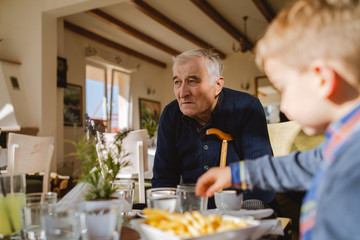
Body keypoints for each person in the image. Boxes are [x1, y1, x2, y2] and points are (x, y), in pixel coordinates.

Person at [195, 0, 360, 239]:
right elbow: (298, 166)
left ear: (322, 79)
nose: (283, 105)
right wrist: (234, 174)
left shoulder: (352, 165)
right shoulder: (341, 144)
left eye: (283, 87)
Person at [152, 49, 276, 208]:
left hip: (243, 213)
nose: (182, 93)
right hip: (192, 215)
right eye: (177, 82)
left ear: (217, 85)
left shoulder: (247, 108)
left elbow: (260, 178)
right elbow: (164, 178)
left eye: (193, 81)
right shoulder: (171, 115)